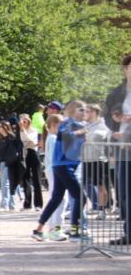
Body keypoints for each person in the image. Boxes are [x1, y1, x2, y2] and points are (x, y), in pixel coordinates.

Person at [32, 100, 88, 241]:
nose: (84, 113)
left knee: (57, 199)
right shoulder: (66, 123)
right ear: (73, 111)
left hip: (64, 166)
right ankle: (75, 232)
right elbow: (64, 135)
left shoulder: (77, 125)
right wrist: (82, 132)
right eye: (82, 110)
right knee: (81, 197)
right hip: (64, 166)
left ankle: (38, 230)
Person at [104, 53, 131, 245]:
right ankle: (129, 232)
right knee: (124, 192)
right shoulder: (116, 93)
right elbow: (106, 116)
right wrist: (114, 120)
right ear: (125, 70)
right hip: (123, 148)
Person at [83, 104, 112, 220]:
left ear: (94, 112)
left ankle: (103, 209)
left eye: (88, 111)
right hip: (86, 159)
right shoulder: (85, 125)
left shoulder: (103, 124)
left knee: (101, 186)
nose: (85, 113)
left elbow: (104, 137)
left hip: (99, 159)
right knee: (86, 184)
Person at [0, 121, 24, 212]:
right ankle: (11, 205)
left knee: (6, 185)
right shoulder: (1, 139)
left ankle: (4, 205)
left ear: (5, 127)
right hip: (3, 163)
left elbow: (18, 147)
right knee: (7, 185)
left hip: (10, 163)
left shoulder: (12, 138)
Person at [18, 114, 43, 211]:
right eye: (21, 121)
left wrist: (23, 130)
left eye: (25, 121)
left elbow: (30, 140)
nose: (23, 123)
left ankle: (38, 204)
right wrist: (22, 130)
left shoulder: (33, 130)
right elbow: (24, 141)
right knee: (26, 179)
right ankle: (27, 204)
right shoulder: (20, 130)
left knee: (36, 179)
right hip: (25, 154)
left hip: (33, 153)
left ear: (28, 121)